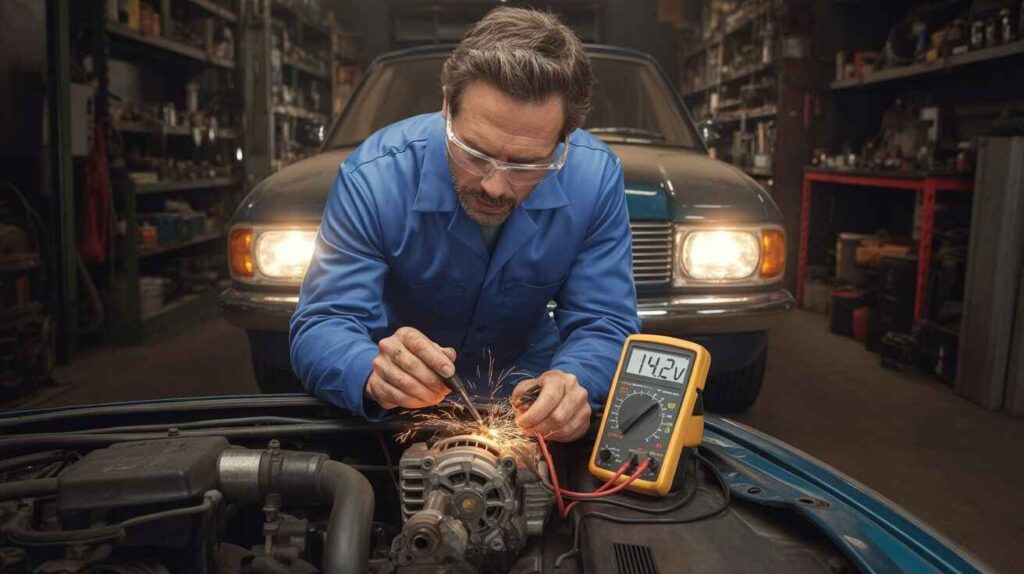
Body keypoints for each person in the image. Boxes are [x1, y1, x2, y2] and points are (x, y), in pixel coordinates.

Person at [289, 7, 639, 442]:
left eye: (528, 164)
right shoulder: (374, 177)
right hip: (400, 407)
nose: (495, 186)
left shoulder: (594, 177)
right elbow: (324, 322)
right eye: (474, 154)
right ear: (446, 109)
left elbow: (604, 321)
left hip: (528, 400)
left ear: (564, 140)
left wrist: (576, 380)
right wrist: (370, 373)